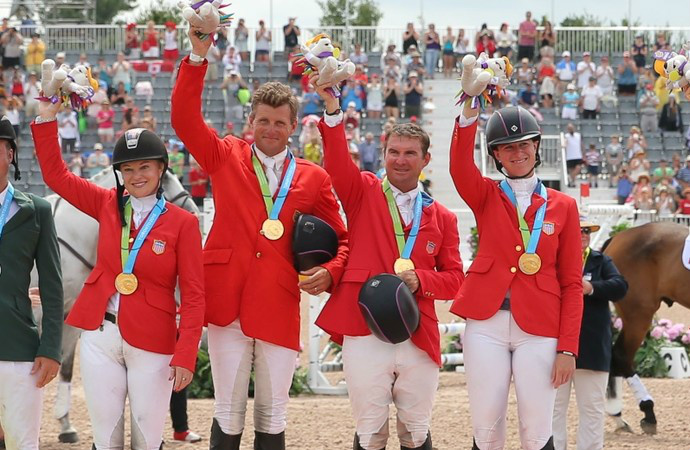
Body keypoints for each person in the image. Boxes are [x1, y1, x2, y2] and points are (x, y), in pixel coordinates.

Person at [171, 27, 349, 449]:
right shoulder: (225, 153)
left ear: (292, 127)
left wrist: (330, 270)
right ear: (251, 122)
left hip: (279, 298)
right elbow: (183, 120)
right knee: (227, 411)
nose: (271, 129)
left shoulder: (313, 177)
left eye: (279, 123)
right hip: (226, 301)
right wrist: (197, 57)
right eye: (263, 121)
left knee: (273, 413)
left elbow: (344, 239)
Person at [33, 101, 205, 449]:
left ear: (161, 170)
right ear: (119, 174)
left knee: (146, 437)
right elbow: (56, 175)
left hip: (154, 340)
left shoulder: (183, 223)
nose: (136, 175)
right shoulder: (106, 204)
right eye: (128, 169)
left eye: (145, 167)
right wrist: (48, 116)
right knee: (105, 436)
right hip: (101, 335)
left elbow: (194, 294)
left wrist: (186, 353)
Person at [314, 74, 463, 450]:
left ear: (425, 159)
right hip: (364, 325)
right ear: (383, 154)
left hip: (418, 327)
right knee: (371, 430)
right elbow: (336, 162)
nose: (400, 160)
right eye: (394, 152)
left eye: (410, 153)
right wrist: (333, 110)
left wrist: (422, 280)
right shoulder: (361, 191)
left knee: (415, 430)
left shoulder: (443, 216)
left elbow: (456, 278)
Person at [450, 97, 582, 450]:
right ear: (496, 155)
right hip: (486, 324)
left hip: (539, 328)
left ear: (536, 146)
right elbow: (459, 167)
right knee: (486, 428)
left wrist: (567, 348)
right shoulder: (486, 195)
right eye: (506, 148)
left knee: (537, 432)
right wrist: (467, 115)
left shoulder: (564, 206)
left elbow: (571, 284)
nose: (516, 153)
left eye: (523, 145)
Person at [0, 116, 63, 450]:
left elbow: (53, 286)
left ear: (10, 153)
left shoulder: (38, 211)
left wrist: (51, 348)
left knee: (23, 443)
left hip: (19, 349)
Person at [552, 218, 628, 450]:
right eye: (579, 230)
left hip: (593, 346)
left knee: (592, 410)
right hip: (557, 346)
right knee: (553, 410)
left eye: (587, 231)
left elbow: (621, 286)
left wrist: (592, 288)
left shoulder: (600, 260)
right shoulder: (553, 260)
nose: (584, 234)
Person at [564, 123, 583, 188]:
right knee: (571, 170)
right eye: (569, 128)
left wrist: (583, 153)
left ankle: (570, 179)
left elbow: (581, 144)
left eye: (571, 128)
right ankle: (573, 182)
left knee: (578, 168)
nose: (570, 129)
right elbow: (565, 143)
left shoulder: (578, 135)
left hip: (578, 155)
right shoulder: (566, 136)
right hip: (570, 156)